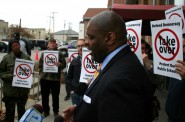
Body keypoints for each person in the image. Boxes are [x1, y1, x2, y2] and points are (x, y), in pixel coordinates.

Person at [62, 11, 153, 122]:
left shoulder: (122, 81)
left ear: (110, 38)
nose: (86, 43)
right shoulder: (118, 63)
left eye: (91, 37)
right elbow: (105, 104)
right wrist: (81, 112)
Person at [0, 39, 32, 122]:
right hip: (10, 91)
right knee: (10, 114)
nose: (16, 47)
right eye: (13, 45)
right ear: (11, 47)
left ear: (20, 46)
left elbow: (30, 71)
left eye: (17, 45)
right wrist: (10, 76)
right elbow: (1, 72)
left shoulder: (26, 57)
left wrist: (27, 77)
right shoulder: (6, 58)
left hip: (22, 91)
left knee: (22, 113)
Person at [39, 39, 66, 117]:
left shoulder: (60, 53)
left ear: (56, 44)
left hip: (55, 79)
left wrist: (60, 64)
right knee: (44, 96)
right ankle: (46, 111)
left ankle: (55, 111)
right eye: (51, 43)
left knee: (55, 96)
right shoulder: (44, 53)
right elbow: (40, 65)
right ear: (48, 44)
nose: (52, 44)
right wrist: (42, 73)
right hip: (45, 79)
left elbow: (64, 65)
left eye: (54, 43)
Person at [165, 38, 185, 122]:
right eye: (179, 46)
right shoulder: (176, 62)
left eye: (183, 46)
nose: (182, 50)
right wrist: (149, 66)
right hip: (172, 116)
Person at [65, 39, 88, 105]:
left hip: (88, 93)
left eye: (83, 45)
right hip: (76, 93)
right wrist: (71, 91)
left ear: (86, 46)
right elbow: (69, 77)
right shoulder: (74, 61)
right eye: (78, 46)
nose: (80, 48)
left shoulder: (93, 60)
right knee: (76, 114)